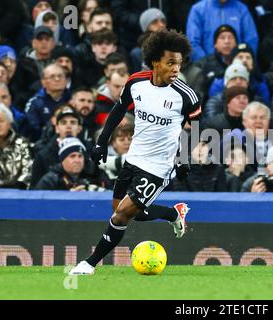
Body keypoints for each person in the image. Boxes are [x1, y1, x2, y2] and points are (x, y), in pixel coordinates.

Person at [69, 29, 202, 275]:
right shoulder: (136, 82)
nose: (175, 68)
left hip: (159, 166)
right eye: (170, 62)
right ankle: (174, 213)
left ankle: (89, 263)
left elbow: (193, 128)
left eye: (179, 63)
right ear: (155, 61)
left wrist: (184, 159)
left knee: (121, 215)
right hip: (134, 158)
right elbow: (119, 111)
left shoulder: (186, 96)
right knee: (125, 211)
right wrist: (101, 142)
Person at [0, 103, 32, 189]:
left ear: (9, 123)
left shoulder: (22, 144)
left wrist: (17, 187)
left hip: (18, 193)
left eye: (1, 121)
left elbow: (28, 171)